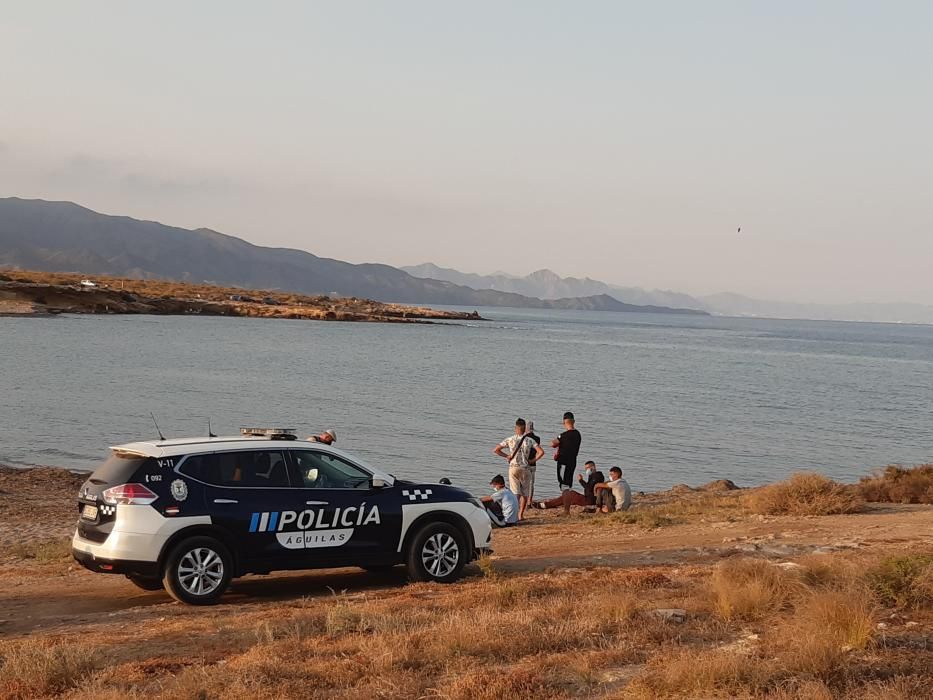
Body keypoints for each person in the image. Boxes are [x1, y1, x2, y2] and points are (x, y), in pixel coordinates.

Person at [493, 418, 545, 521]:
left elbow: (496, 450)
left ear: (516, 428)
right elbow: (541, 452)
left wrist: (506, 456)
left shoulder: (510, 439)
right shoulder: (530, 440)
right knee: (525, 493)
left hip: (514, 467)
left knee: (515, 492)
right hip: (526, 468)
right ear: (524, 428)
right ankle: (521, 515)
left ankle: (514, 514)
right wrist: (533, 460)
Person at [535, 460, 604, 513]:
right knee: (565, 497)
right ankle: (545, 505)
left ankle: (545, 505)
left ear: (593, 467)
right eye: (585, 469)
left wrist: (581, 480)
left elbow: (589, 488)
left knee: (569, 494)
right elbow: (589, 487)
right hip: (588, 498)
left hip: (590, 500)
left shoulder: (597, 476)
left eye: (588, 468)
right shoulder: (592, 476)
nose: (586, 470)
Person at [551, 412, 581, 491]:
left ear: (564, 422)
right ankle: (568, 496)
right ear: (573, 421)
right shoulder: (578, 434)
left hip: (563, 462)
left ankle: (565, 498)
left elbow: (553, 444)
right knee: (569, 481)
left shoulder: (563, 435)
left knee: (563, 481)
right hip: (572, 461)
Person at [525, 420, 541, 505]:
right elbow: (538, 451)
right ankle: (529, 501)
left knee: (523, 483)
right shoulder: (537, 439)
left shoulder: (524, 438)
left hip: (524, 463)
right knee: (531, 483)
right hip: (533, 463)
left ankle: (522, 500)